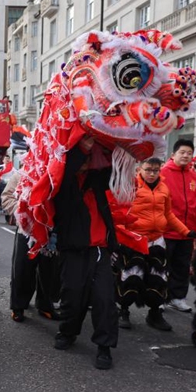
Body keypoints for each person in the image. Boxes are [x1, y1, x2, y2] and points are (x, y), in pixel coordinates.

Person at [51, 137, 119, 370]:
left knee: (104, 298)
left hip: (99, 249)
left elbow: (113, 170)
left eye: (89, 158)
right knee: (72, 294)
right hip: (72, 248)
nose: (85, 161)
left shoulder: (97, 180)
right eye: (81, 157)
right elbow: (67, 170)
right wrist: (82, 147)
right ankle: (68, 332)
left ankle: (104, 346)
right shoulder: (62, 183)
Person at [115, 158, 196, 331]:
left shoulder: (164, 188)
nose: (152, 174)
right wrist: (122, 234)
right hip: (135, 239)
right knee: (130, 276)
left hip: (157, 240)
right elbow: (120, 212)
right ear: (140, 169)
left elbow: (168, 214)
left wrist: (186, 231)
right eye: (148, 170)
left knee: (158, 279)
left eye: (155, 170)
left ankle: (155, 314)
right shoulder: (130, 186)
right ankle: (123, 311)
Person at [2, 172, 60, 322]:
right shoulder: (20, 174)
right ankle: (18, 307)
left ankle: (45, 305)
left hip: (49, 231)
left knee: (48, 270)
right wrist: (23, 212)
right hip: (26, 230)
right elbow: (7, 197)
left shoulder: (53, 173)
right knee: (22, 269)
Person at [160, 139, 196, 313]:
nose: (186, 155)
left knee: (182, 266)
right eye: (182, 152)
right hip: (166, 230)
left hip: (187, 231)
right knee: (162, 266)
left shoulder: (194, 177)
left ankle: (178, 298)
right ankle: (159, 297)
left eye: (189, 153)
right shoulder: (163, 173)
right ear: (173, 154)